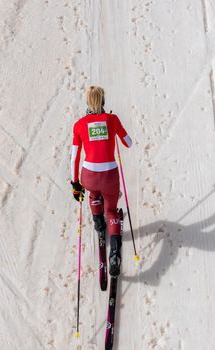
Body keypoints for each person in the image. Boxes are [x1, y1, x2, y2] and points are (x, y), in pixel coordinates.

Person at [70, 86, 132, 276]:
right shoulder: (112, 120)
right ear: (103, 101)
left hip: (89, 175)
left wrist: (75, 184)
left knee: (93, 194)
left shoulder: (79, 124)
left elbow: (74, 158)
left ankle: (98, 222)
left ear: (87, 103)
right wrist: (114, 130)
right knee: (112, 210)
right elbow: (128, 142)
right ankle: (114, 252)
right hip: (109, 176)